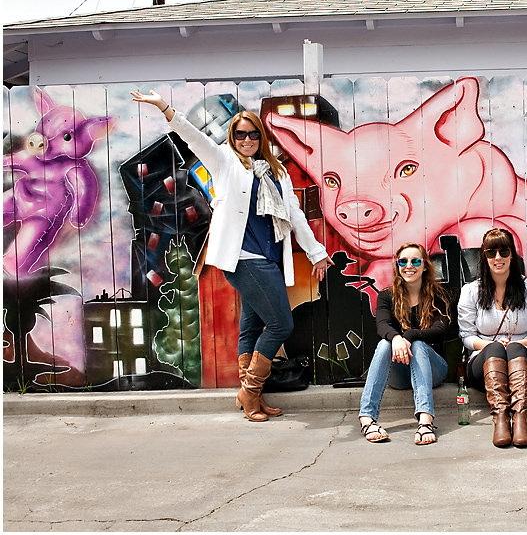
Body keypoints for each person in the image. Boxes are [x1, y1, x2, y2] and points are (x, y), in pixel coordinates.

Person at [131, 90, 331, 422]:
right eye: (241, 134)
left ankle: (251, 395)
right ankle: (250, 392)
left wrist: (317, 254)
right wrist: (164, 107)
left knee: (250, 327)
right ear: (232, 137)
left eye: (254, 133)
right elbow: (191, 136)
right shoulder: (223, 161)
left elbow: (295, 216)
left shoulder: (274, 172)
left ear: (260, 137)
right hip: (242, 258)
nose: (247, 139)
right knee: (281, 324)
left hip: (268, 259)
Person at [457, 228, 527, 448]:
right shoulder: (471, 291)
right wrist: (491, 345)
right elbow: (467, 337)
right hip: (484, 364)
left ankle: (520, 419)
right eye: (491, 253)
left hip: (525, 364)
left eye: (504, 252)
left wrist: (520, 343)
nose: (498, 258)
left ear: (512, 255)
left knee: (516, 349)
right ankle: (500, 418)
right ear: (484, 256)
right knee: (495, 349)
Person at [358, 243, 452, 445]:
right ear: (398, 266)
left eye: (415, 260)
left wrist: (408, 335)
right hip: (400, 374)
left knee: (418, 344)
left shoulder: (439, 295)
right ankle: (367, 417)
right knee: (385, 344)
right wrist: (396, 338)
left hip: (434, 369)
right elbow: (382, 325)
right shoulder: (386, 296)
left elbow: (441, 330)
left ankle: (425, 420)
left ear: (425, 265)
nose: (409, 266)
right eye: (403, 261)